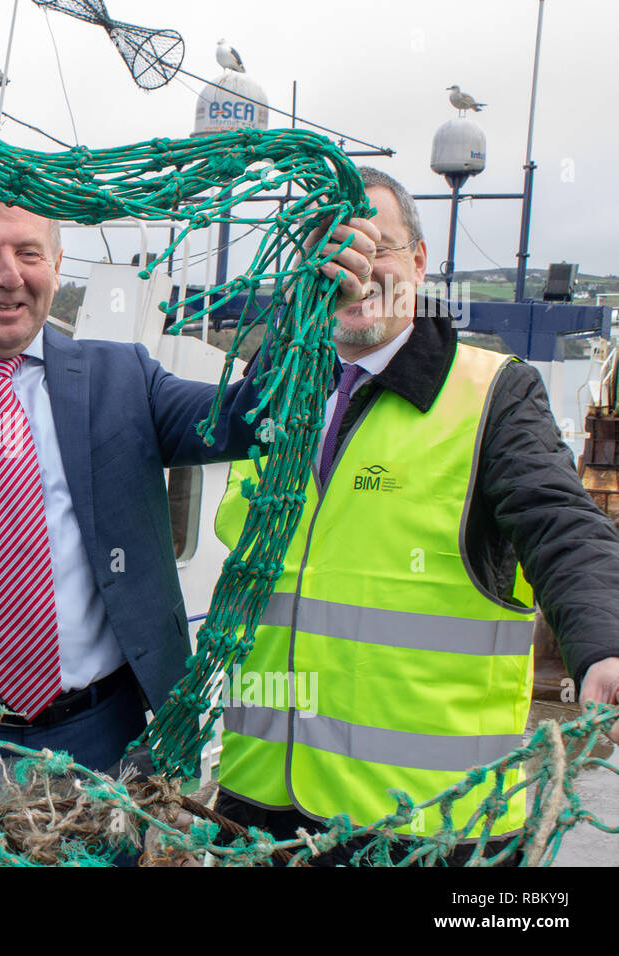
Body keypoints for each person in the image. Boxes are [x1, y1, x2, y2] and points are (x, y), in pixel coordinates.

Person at [0, 147, 378, 771]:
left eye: (29, 253)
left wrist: (314, 304)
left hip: (104, 733)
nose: (9, 275)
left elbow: (248, 420)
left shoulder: (123, 376)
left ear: (56, 265)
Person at [213, 166, 619, 864]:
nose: (354, 268)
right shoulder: (275, 393)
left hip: (427, 830)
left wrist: (604, 642)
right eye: (330, 250)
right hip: (255, 816)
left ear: (421, 263)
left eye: (380, 246)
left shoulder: (493, 394)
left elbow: (561, 524)